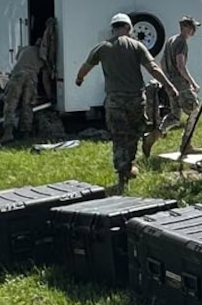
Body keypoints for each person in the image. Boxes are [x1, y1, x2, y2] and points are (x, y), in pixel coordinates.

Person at [75, 13, 178, 193]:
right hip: (135, 99)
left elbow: (86, 66)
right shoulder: (136, 46)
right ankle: (129, 165)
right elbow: (153, 67)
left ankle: (122, 171)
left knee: (119, 136)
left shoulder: (103, 47)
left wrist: (79, 78)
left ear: (113, 29)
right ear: (128, 28)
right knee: (133, 134)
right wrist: (169, 86)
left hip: (114, 100)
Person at [148, 16, 202, 157]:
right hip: (181, 84)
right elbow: (181, 65)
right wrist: (192, 82)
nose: (194, 31)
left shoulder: (171, 40)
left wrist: (167, 81)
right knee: (195, 111)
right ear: (185, 28)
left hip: (171, 84)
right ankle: (186, 145)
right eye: (192, 28)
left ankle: (156, 134)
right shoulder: (181, 42)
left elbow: (162, 62)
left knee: (175, 116)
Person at [1, 18, 58, 143]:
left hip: (18, 75)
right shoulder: (43, 57)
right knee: (27, 105)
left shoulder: (25, 49)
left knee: (11, 104)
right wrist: (51, 96)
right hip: (32, 78)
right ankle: (26, 133)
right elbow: (45, 80)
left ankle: (8, 133)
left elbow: (17, 60)